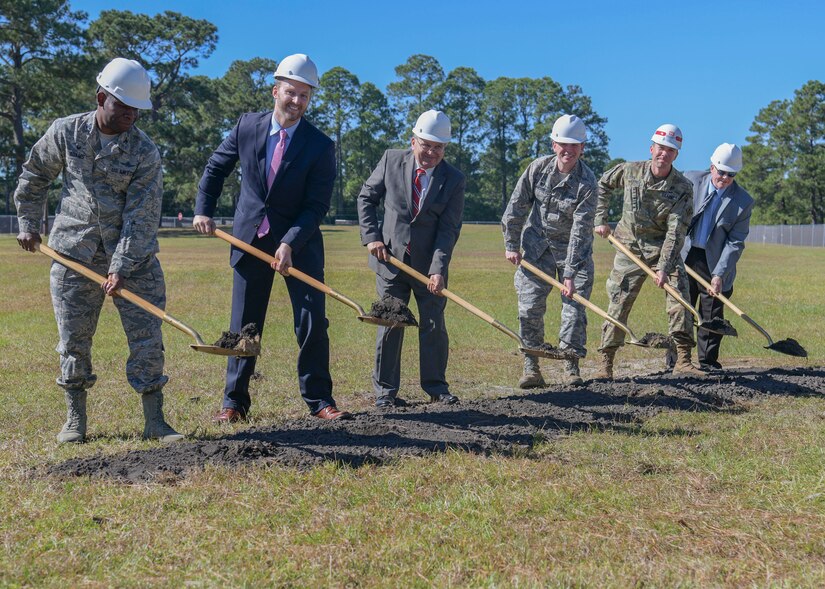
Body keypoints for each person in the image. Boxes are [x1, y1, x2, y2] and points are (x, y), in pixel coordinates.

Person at [14, 58, 183, 443]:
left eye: (136, 109)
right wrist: (27, 222)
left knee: (147, 338)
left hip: (134, 260)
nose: (130, 116)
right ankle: (75, 419)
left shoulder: (145, 152)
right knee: (73, 339)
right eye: (122, 106)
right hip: (74, 253)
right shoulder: (66, 132)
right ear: (101, 97)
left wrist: (121, 266)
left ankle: (155, 420)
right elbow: (35, 176)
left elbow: (143, 215)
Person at [193, 53, 350, 422]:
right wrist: (204, 209)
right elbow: (216, 167)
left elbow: (316, 206)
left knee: (311, 322)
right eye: (291, 93)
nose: (297, 102)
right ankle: (234, 402)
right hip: (250, 240)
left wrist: (290, 243)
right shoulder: (247, 126)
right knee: (244, 326)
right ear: (275, 90)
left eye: (305, 96)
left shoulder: (320, 145)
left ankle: (319, 400)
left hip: (301, 244)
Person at [357, 110, 465, 408]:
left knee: (433, 324)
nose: (431, 152)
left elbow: (448, 230)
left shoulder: (454, 179)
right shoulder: (392, 159)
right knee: (390, 323)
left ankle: (436, 386)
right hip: (390, 261)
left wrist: (438, 270)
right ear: (413, 140)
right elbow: (366, 197)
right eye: (426, 145)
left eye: (438, 147)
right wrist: (372, 237)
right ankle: (385, 393)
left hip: (429, 267)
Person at [593, 124, 704, 378]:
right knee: (618, 302)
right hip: (628, 245)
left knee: (679, 297)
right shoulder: (630, 170)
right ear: (651, 148)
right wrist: (600, 218)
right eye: (660, 148)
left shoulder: (683, 187)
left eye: (670, 150)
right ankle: (605, 362)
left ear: (676, 155)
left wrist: (664, 268)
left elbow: (676, 232)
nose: (663, 154)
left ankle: (684, 360)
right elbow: (603, 184)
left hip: (661, 248)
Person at [502, 114, 598, 388]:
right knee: (529, 307)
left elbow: (581, 231)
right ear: (554, 143)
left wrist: (569, 274)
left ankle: (571, 367)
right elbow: (517, 206)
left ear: (582, 147)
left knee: (574, 311)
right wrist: (511, 244)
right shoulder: (538, 169)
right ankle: (532, 367)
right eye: (563, 144)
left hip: (573, 255)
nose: (568, 150)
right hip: (537, 250)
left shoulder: (587, 183)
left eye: (574, 145)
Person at [680, 143, 753, 370]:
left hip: (716, 262)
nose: (724, 178)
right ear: (712, 167)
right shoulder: (690, 180)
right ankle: (677, 362)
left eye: (730, 174)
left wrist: (719, 274)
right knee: (682, 309)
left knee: (711, 313)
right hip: (685, 255)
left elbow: (735, 242)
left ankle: (707, 362)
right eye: (721, 172)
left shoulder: (743, 201)